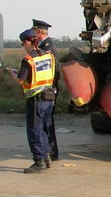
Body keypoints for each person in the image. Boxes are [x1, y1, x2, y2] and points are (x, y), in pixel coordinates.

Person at [8, 29, 56, 173]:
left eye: (23, 43)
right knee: (44, 130)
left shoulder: (28, 59)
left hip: (35, 99)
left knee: (34, 130)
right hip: (49, 98)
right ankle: (47, 157)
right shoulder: (49, 56)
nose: (23, 46)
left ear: (28, 42)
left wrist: (13, 74)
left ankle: (39, 161)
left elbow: (21, 79)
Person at [32, 19, 59, 161]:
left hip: (47, 90)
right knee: (46, 121)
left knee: (46, 122)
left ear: (38, 32)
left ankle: (50, 152)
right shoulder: (45, 45)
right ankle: (49, 151)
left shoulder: (47, 47)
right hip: (48, 89)